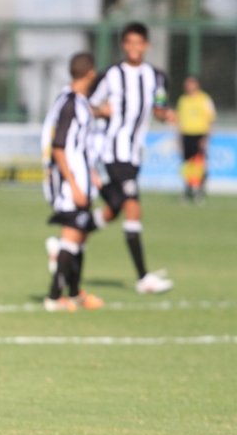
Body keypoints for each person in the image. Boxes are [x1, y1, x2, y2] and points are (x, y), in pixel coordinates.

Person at [87, 21, 175, 295]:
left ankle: (68, 241)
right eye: (129, 43)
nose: (134, 48)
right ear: (123, 46)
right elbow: (87, 107)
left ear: (146, 45)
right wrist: (102, 112)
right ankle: (143, 277)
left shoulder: (157, 77)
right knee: (133, 207)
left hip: (134, 153)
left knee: (114, 209)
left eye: (139, 43)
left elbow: (160, 108)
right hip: (112, 150)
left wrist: (167, 115)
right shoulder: (110, 75)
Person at [41, 53, 104, 312]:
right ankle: (54, 297)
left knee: (81, 233)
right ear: (90, 73)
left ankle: (75, 291)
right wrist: (75, 185)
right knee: (72, 235)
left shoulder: (79, 102)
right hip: (69, 183)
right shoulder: (69, 104)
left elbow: (80, 146)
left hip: (80, 178)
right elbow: (59, 148)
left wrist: (91, 173)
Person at [177, 76, 215, 204]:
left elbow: (210, 119)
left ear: (197, 85)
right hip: (186, 135)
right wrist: (178, 138)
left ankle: (200, 190)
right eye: (187, 84)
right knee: (187, 164)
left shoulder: (204, 99)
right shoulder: (183, 100)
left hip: (199, 134)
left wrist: (206, 137)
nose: (189, 87)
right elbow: (179, 121)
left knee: (199, 163)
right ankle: (188, 190)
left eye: (191, 84)